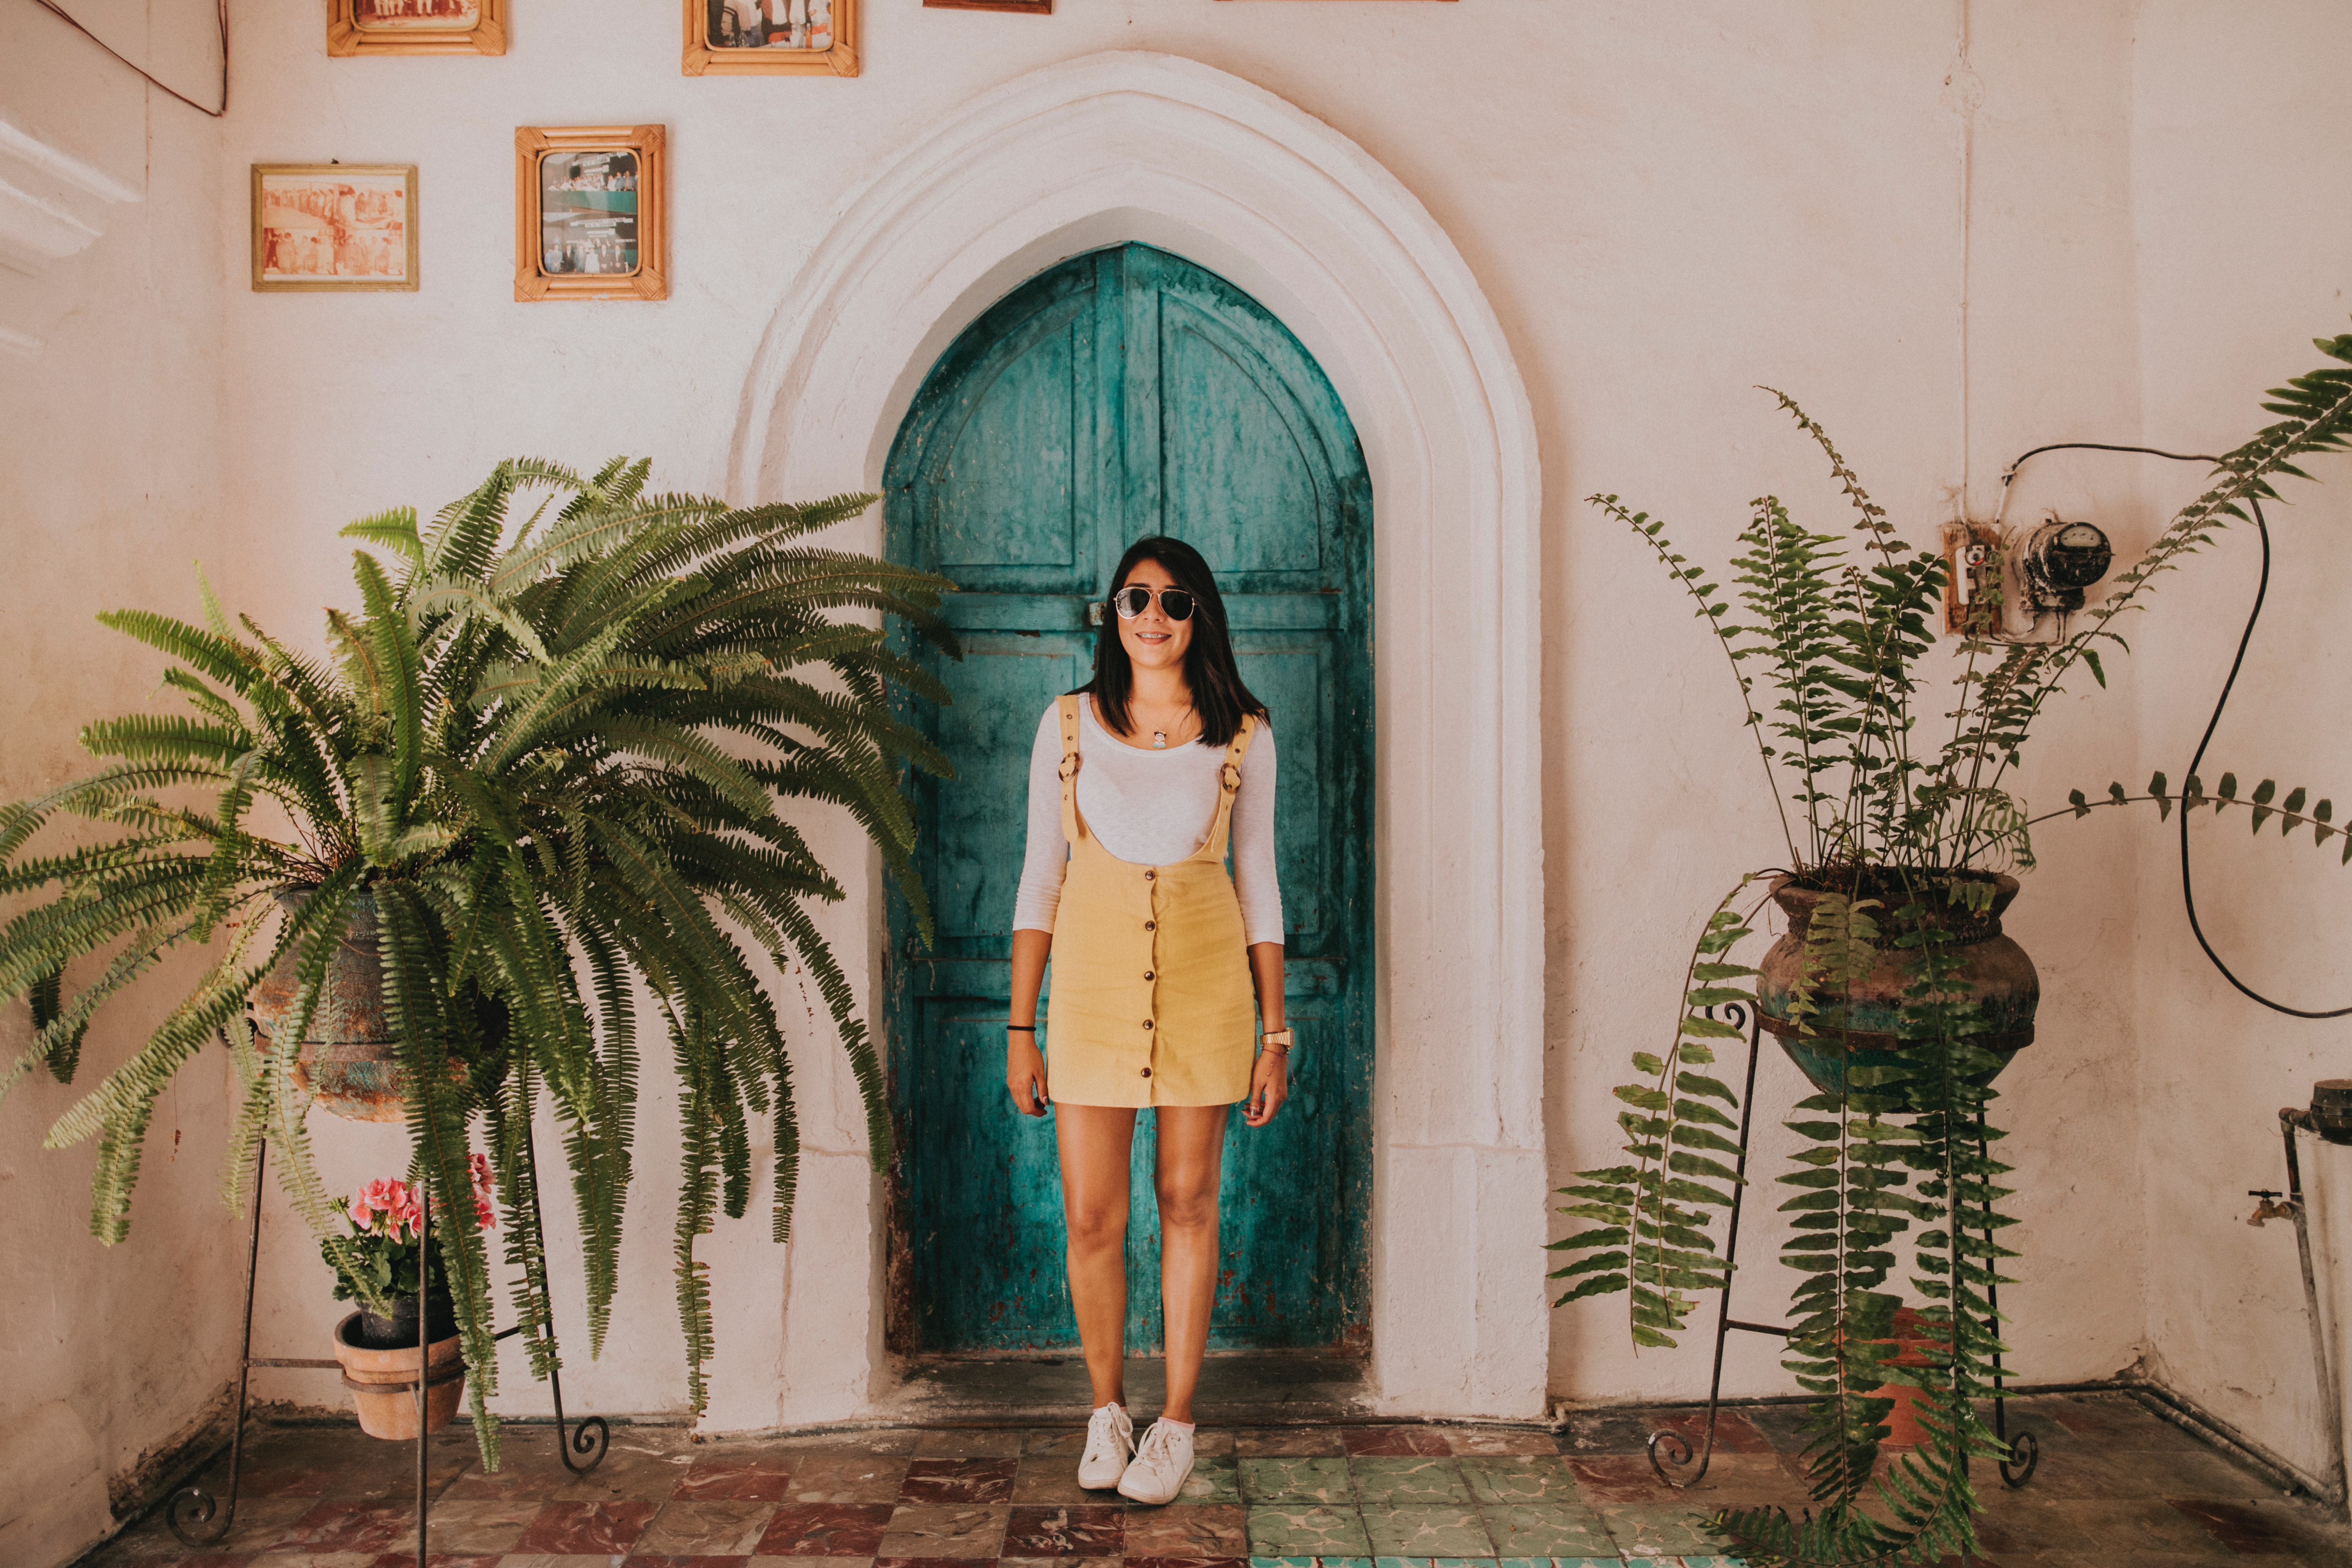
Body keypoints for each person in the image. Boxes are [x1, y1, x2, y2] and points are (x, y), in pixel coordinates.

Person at [1007, 535, 1293, 1505]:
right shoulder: (1067, 725)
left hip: (1209, 990)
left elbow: (1259, 883)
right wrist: (1019, 1028)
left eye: (1175, 601)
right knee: (1091, 1211)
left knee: (1186, 1200)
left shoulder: (1243, 731)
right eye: (1135, 598)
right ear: (1112, 614)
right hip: (1088, 990)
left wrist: (1275, 1033)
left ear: (1200, 616)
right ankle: (1105, 1410)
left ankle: (1175, 1423)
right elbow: (1038, 878)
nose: (1154, 616)